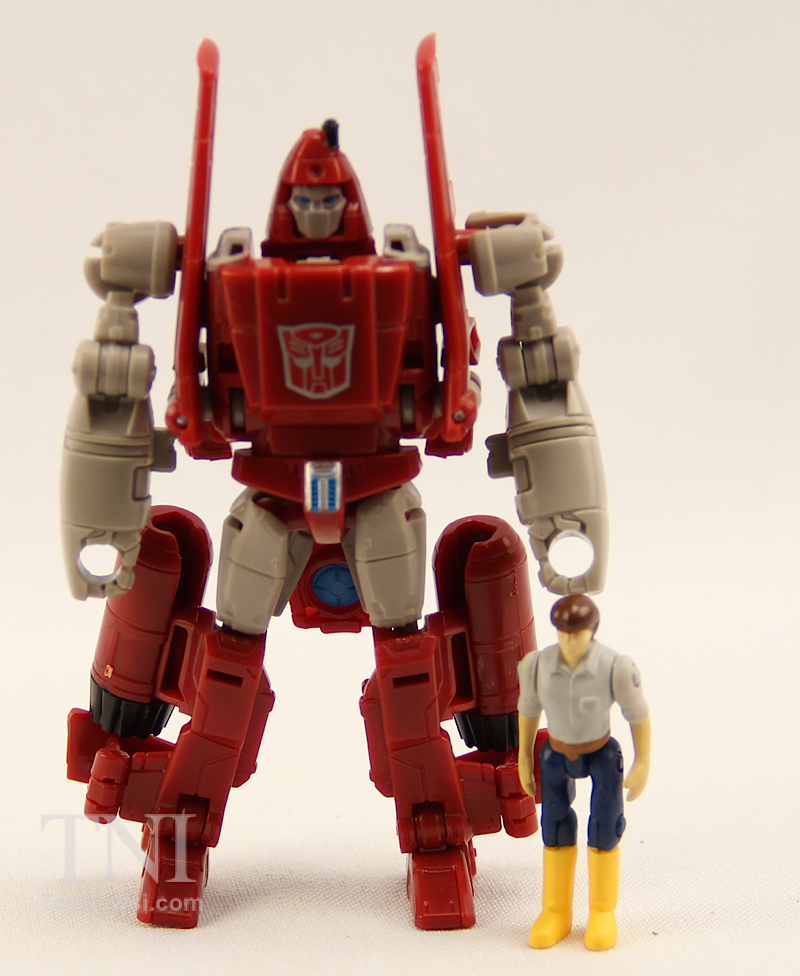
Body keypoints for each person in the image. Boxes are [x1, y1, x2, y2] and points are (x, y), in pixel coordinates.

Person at [517, 595, 651, 950]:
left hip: (600, 753)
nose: (568, 640)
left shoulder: (614, 666)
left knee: (605, 826)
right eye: (562, 633)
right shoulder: (538, 665)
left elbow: (638, 714)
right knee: (555, 825)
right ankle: (555, 911)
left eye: (575, 634)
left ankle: (602, 911)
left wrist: (642, 761)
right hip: (556, 753)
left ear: (591, 631)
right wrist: (524, 757)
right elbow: (528, 710)